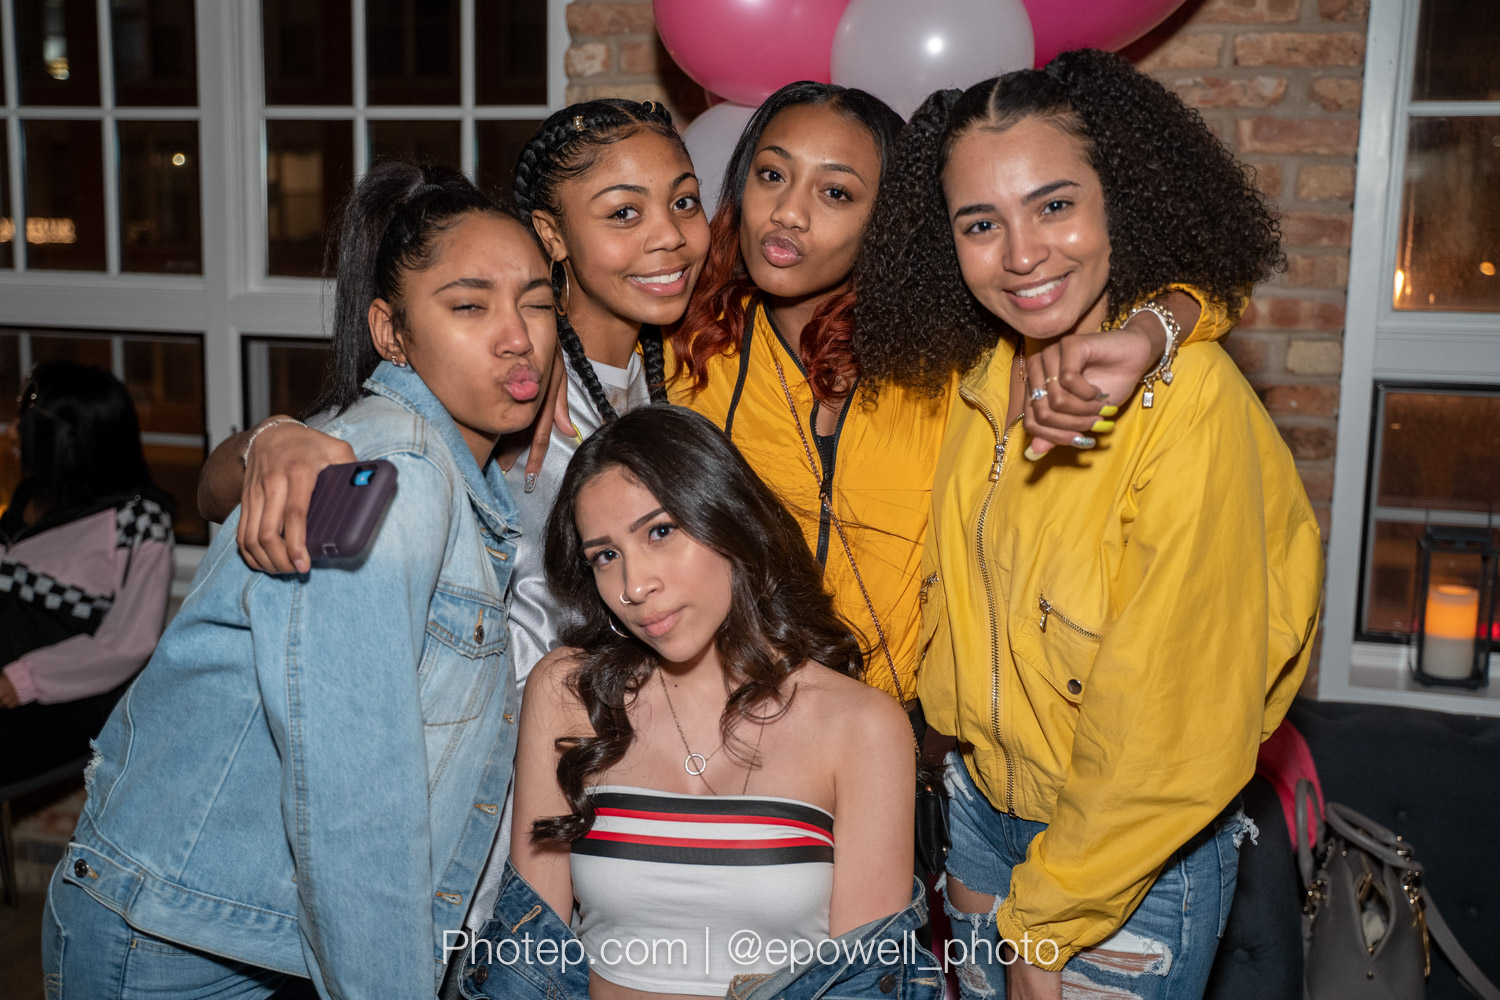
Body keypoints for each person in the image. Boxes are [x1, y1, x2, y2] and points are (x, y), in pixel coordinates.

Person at [853, 50, 1325, 999]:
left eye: (1055, 205)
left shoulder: (1190, 402)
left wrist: (1047, 925)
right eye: (980, 223)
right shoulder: (977, 380)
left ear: (1124, 204)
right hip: (980, 816)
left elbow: (1171, 726)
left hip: (1122, 864)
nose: (1021, 253)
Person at [43, 160, 557, 999]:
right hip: (180, 945)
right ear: (391, 331)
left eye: (536, 302)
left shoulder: (420, 459)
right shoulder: (398, 478)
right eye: (470, 306)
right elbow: (355, 795)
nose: (517, 336)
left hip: (240, 928)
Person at [669, 81, 1225, 705]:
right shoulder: (684, 352)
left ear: (886, 222)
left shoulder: (953, 353)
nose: (789, 213)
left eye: (836, 192)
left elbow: (1207, 282)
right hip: (731, 718)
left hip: (914, 733)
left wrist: (1151, 332)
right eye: (772, 175)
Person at [461, 404, 935, 1000]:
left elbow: (862, 985)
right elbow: (532, 956)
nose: (634, 586)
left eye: (660, 532)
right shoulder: (569, 695)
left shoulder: (862, 726)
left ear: (728, 518)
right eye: (606, 555)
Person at [0, 362, 173, 786]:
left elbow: (128, 643)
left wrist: (19, 680)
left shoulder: (139, 521)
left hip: (60, 702)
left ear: (64, 438)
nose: (11, 433)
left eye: (23, 423)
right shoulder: (29, 496)